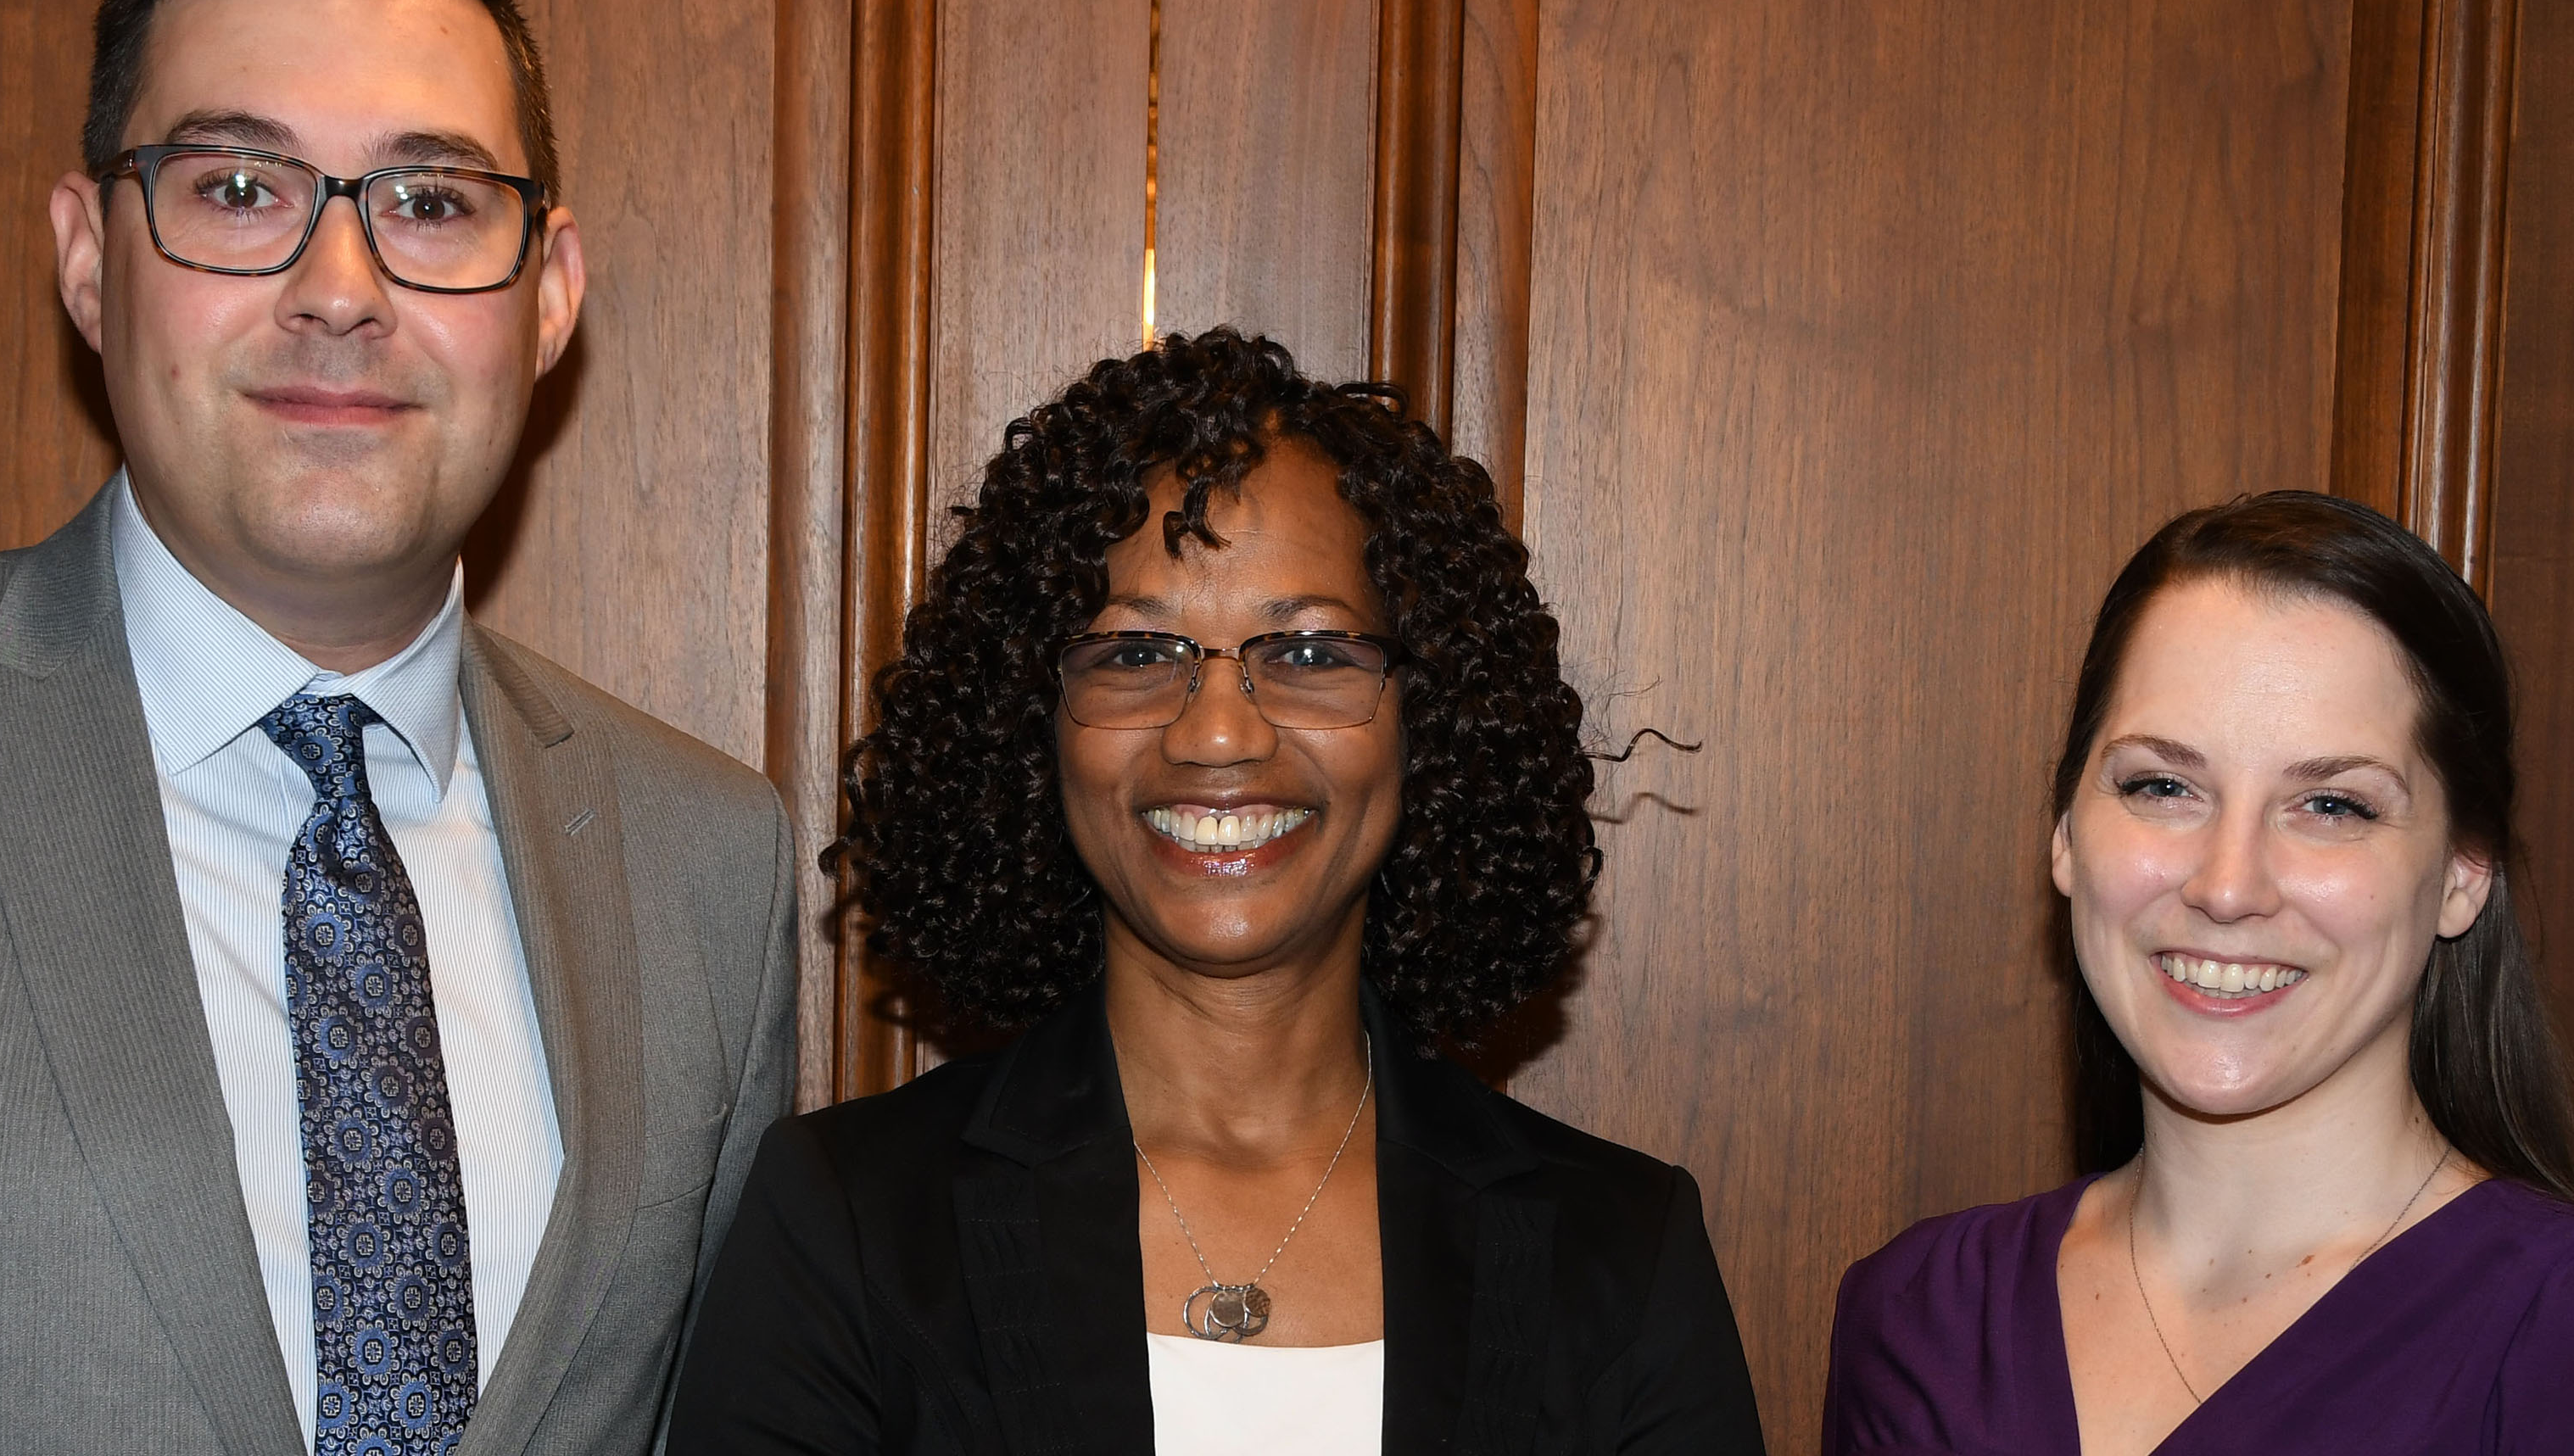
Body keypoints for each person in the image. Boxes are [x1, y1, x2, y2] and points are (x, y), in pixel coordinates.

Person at [0, 0, 795, 1454]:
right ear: (91, 258)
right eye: (239, 189)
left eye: (431, 202)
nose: (341, 291)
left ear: (548, 294)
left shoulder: (713, 865)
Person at [667, 330, 1763, 1453]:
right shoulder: (850, 1224)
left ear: (1426, 725)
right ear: (1028, 726)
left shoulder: (1623, 1252)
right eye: (1138, 656)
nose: (1220, 733)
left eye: (1313, 653)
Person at [1823, 492, 2574, 1454]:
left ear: (2461, 879)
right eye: (2162, 786)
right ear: (2063, 833)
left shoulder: (2547, 1328)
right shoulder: (1916, 1314)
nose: (2227, 886)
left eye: (2332, 806)